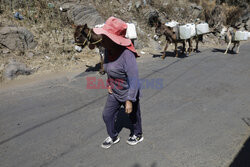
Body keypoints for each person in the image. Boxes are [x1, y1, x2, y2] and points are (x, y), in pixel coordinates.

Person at [93, 16, 143, 149]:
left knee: (133, 116)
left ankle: (138, 134)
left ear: (114, 40)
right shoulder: (108, 51)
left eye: (105, 37)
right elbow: (109, 70)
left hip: (128, 92)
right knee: (107, 115)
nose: (102, 40)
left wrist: (129, 100)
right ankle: (113, 136)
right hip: (114, 91)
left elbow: (134, 79)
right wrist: (109, 83)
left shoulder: (127, 55)